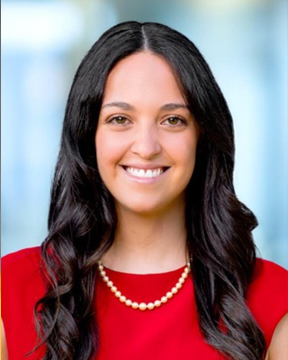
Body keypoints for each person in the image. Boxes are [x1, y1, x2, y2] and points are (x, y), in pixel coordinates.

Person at [1, 21, 287, 360]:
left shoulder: (273, 297)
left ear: (203, 137)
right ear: (88, 136)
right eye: (120, 119)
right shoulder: (12, 290)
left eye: (173, 120)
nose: (147, 147)